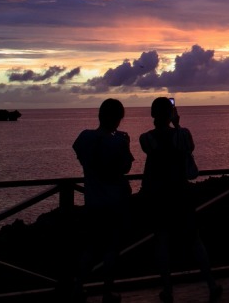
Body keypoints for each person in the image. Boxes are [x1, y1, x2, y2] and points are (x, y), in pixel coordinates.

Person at [139, 96, 221, 302]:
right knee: (194, 239)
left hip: (158, 196)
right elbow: (188, 148)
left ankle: (168, 289)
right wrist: (177, 123)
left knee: (162, 242)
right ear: (171, 113)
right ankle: (211, 284)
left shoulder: (145, 138)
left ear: (152, 114)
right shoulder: (182, 134)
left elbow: (151, 151)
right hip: (180, 193)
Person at [73, 98, 134, 303]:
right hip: (115, 203)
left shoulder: (84, 138)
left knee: (91, 248)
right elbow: (125, 168)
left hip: (92, 201)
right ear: (118, 119)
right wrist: (125, 144)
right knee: (111, 249)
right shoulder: (118, 142)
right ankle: (107, 292)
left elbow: (81, 156)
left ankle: (77, 286)